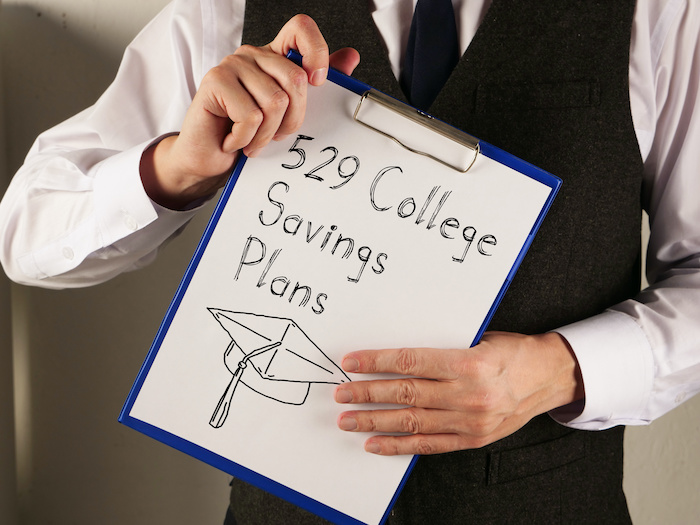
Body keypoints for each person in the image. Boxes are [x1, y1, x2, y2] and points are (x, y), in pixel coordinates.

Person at [1, 0, 699, 522]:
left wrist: (563, 369)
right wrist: (179, 165)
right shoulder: (224, 9)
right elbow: (28, 234)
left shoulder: (660, 13)